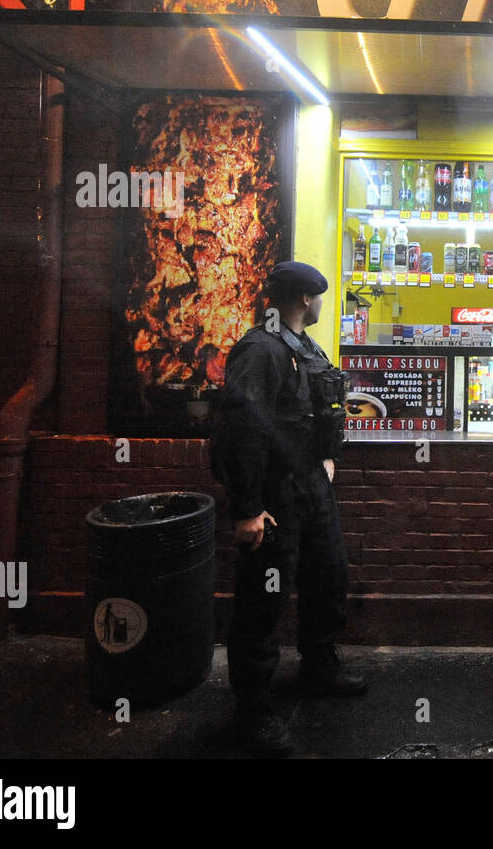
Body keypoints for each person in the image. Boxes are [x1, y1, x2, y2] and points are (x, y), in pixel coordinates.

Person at [212, 260, 363, 756]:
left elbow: (319, 410)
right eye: (319, 296)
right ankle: (252, 712)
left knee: (328, 576)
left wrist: (326, 456)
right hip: (274, 499)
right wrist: (248, 508)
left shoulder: (302, 346)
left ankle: (319, 668)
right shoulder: (260, 350)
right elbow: (241, 432)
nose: (322, 303)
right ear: (304, 299)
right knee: (262, 602)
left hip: (310, 487)